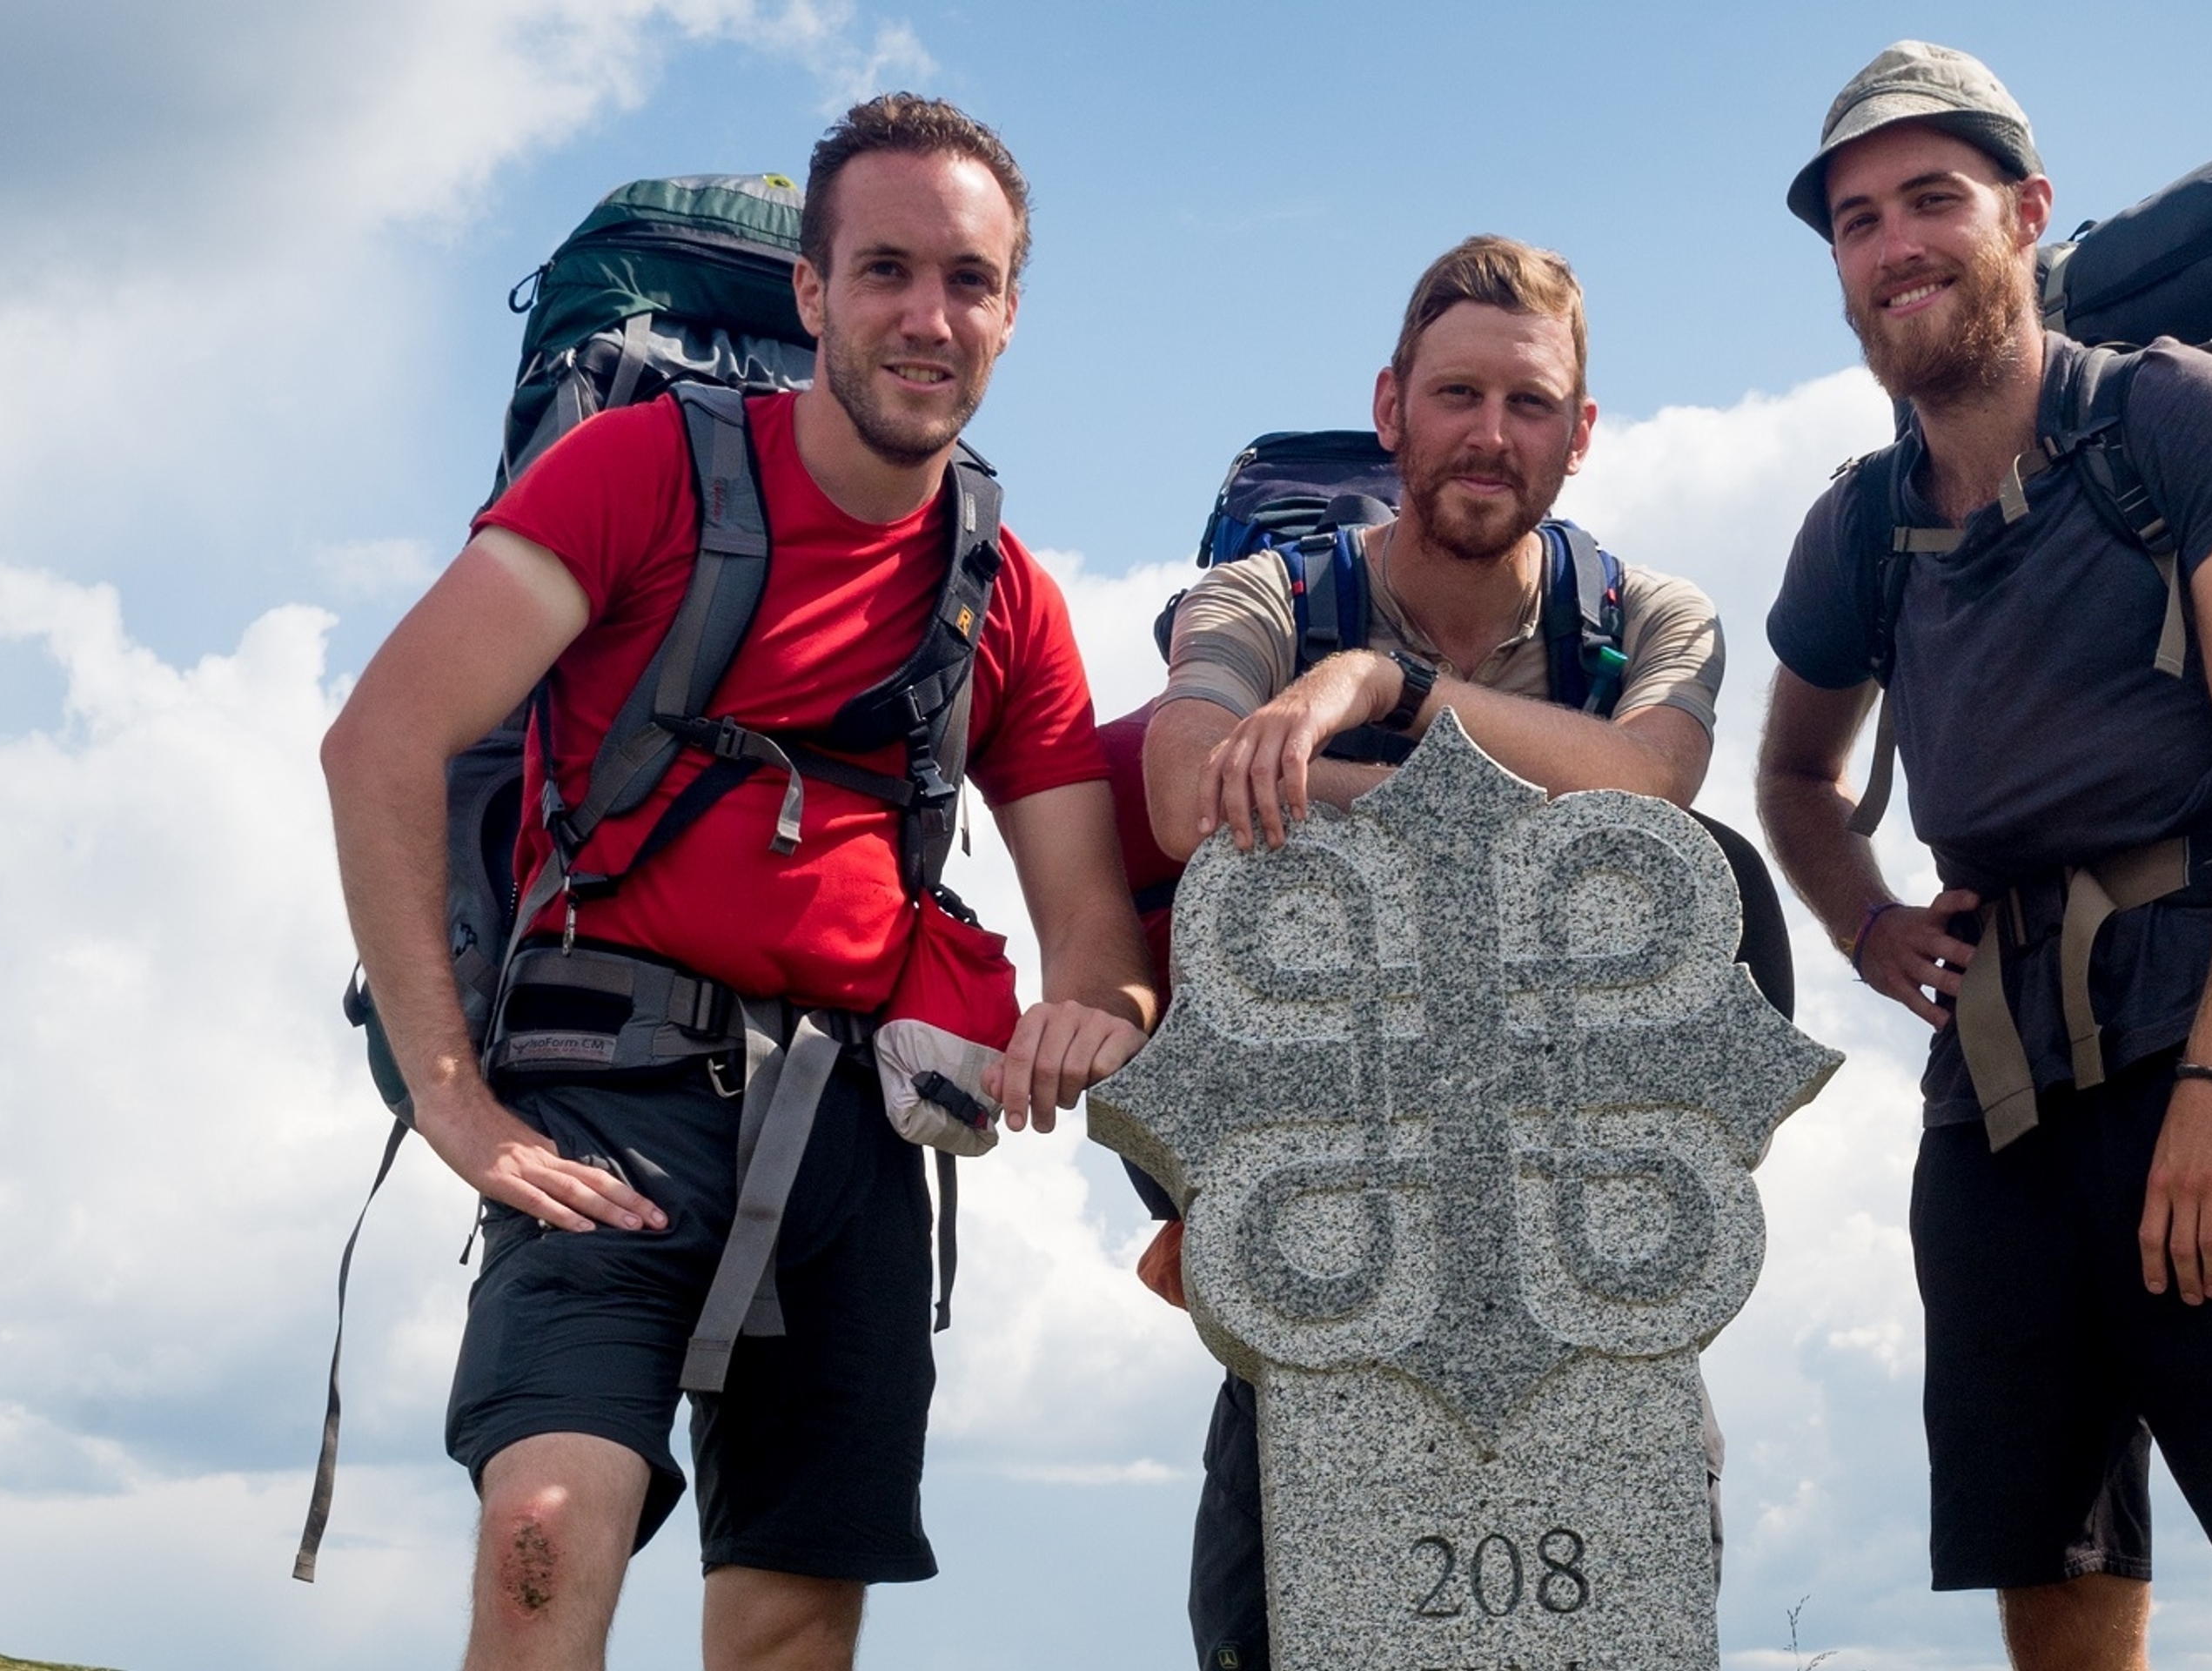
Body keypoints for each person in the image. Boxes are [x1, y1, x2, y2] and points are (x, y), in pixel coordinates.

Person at [320, 93, 1153, 1671]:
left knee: (789, 1624)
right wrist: (449, 1097)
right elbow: (382, 741)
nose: (929, 317)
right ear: (812, 294)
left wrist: (1091, 1017)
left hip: (855, 1130)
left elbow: (1094, 938)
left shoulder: (1005, 592)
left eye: (968, 282)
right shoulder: (636, 474)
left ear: (1012, 313)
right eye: (888, 270)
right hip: (603, 1080)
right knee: (544, 1536)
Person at [1751, 43, 2212, 1671]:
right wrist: (1871, 924)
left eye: (1934, 200)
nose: (1896, 246)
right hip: (1996, 1080)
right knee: (2056, 1557)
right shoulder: (1858, 526)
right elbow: (1796, 777)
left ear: (2025, 215)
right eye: (1860, 220)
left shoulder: (2172, 414)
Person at [1138, 234, 1730, 1671]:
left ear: (1581, 434)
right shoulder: (1265, 600)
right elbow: (1180, 785)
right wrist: (1520, 817)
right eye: (1457, 395)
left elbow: (1654, 794)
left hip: (1584, 1263)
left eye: (1530, 405)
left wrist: (1377, 696)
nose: (1490, 435)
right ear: (1392, 404)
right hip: (1327, 1253)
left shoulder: (1650, 619)